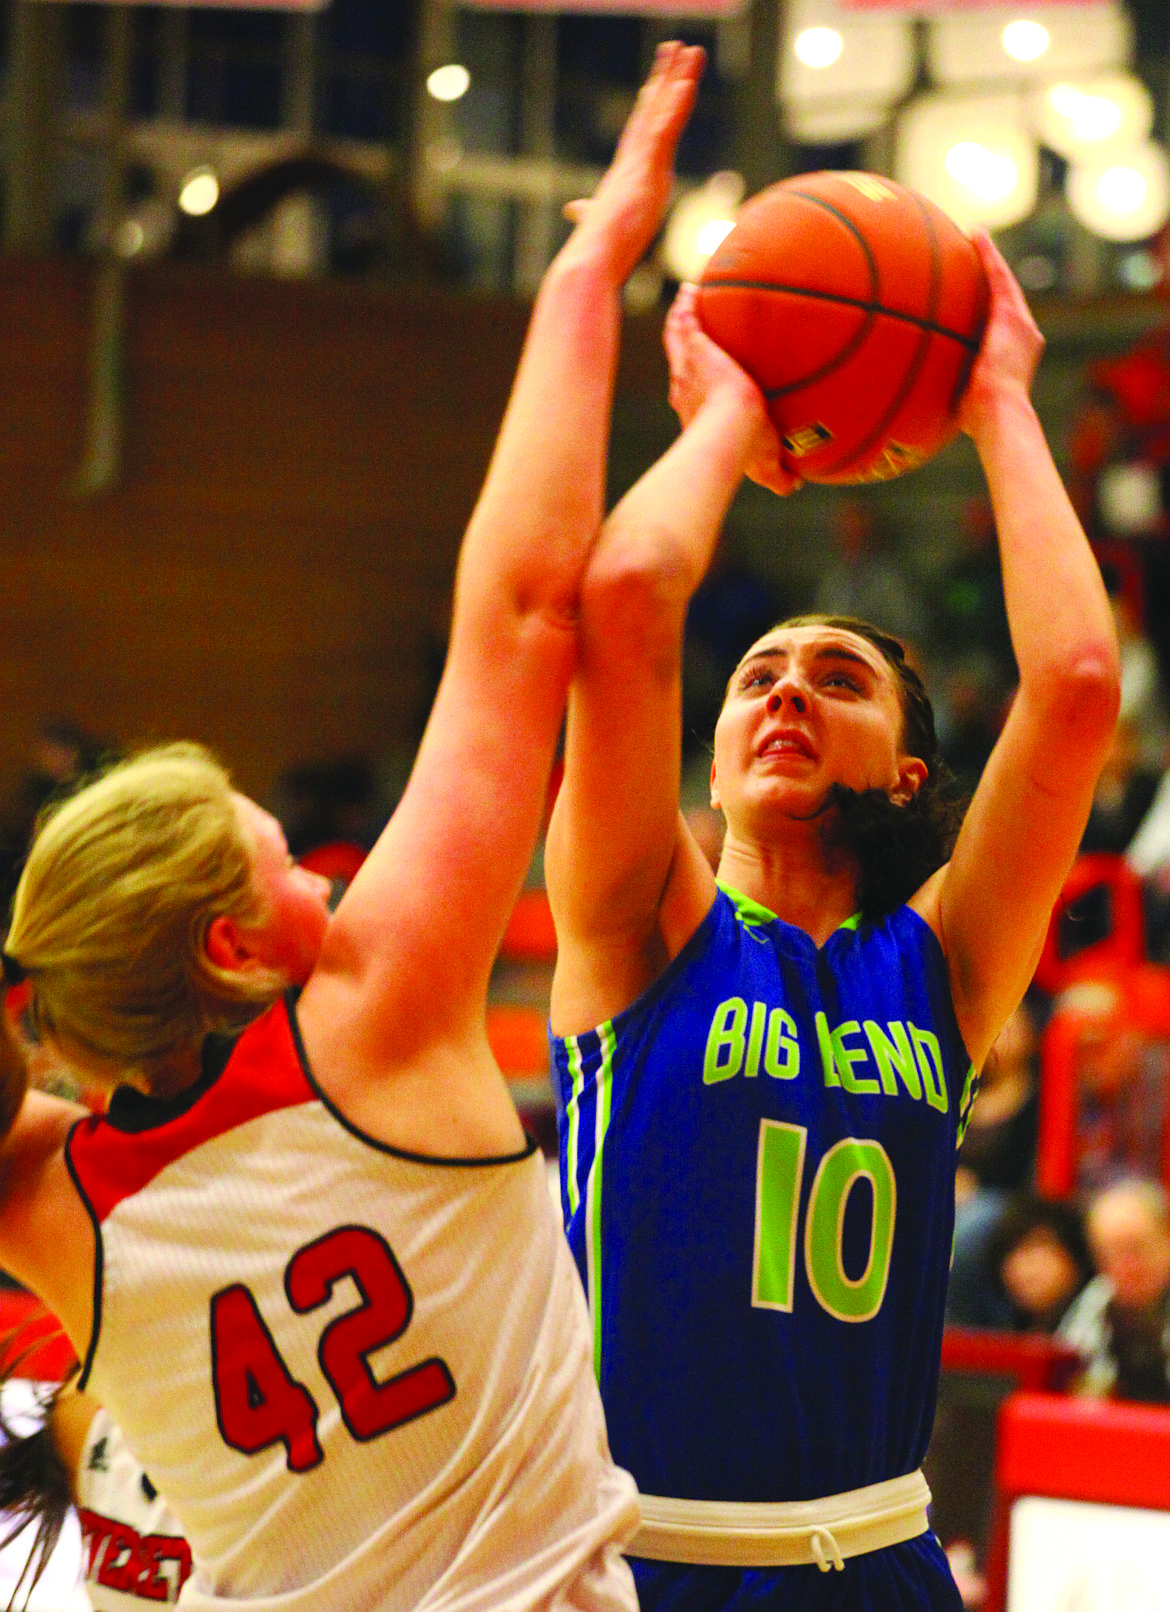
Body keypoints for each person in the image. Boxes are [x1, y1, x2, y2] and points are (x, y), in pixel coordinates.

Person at [0, 42, 710, 1612]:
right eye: (276, 851)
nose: (320, 859)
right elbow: (522, 607)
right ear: (235, 944)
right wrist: (588, 263)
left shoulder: (52, 1206)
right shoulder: (376, 1018)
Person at [545, 234, 1120, 1610]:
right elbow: (624, 601)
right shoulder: (641, 927)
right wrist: (732, 412)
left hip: (879, 1556)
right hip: (646, 1559)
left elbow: (1079, 678)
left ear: (906, 772)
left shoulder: (938, 963)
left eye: (837, 677)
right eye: (756, 676)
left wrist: (997, 402)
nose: (786, 692)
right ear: (719, 748)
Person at [1061, 1176, 1170, 1402]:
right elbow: (1068, 1379)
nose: (1127, 1267)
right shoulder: (1100, 1296)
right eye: (1111, 1255)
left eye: (1136, 1249)